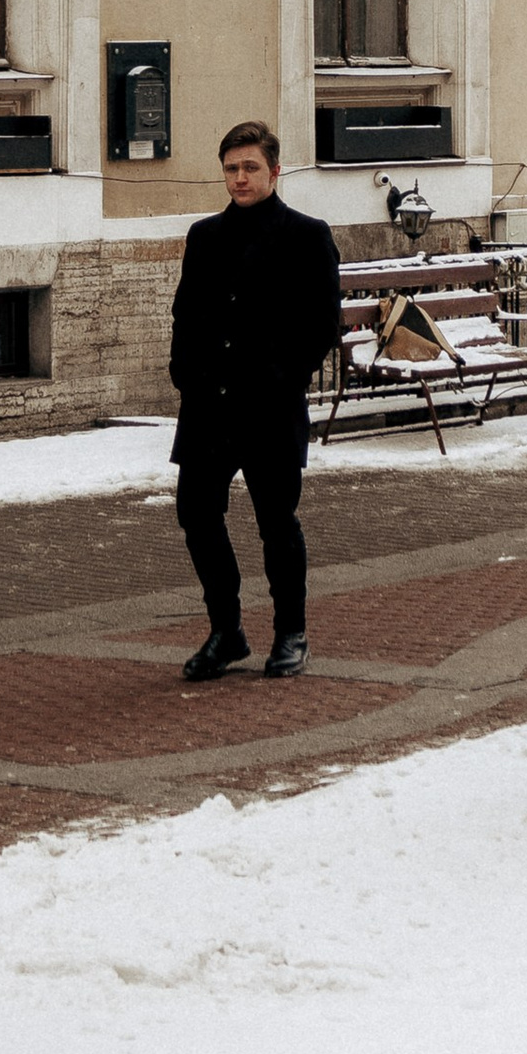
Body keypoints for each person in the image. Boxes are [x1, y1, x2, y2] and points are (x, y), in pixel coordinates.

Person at [168, 117, 344, 684]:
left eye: (249, 168)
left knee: (276, 522)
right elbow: (185, 314)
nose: (239, 179)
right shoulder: (205, 236)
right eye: (230, 169)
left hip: (269, 407)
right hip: (208, 406)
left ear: (274, 171)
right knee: (197, 516)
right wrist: (185, 373)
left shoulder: (306, 234)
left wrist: (281, 376)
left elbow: (322, 324)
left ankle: (291, 632)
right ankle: (227, 631)